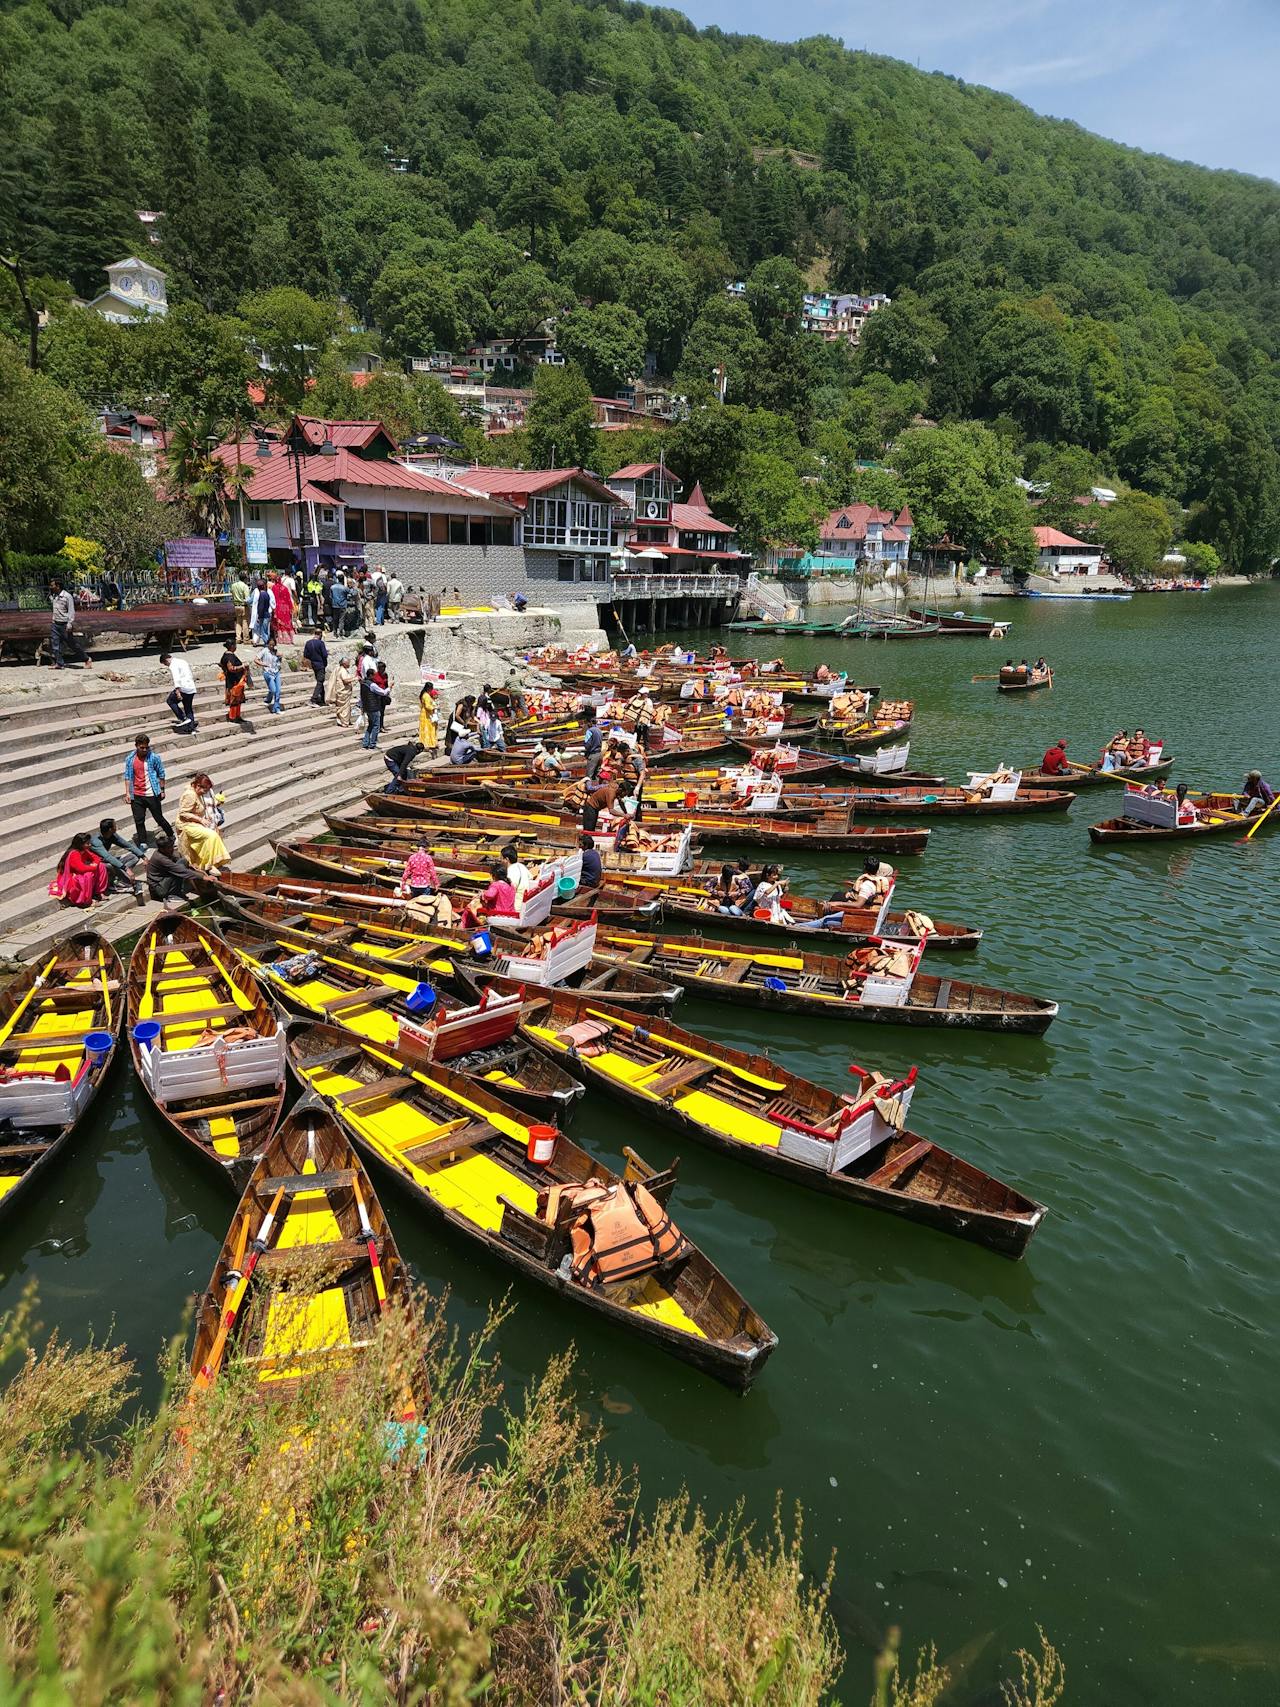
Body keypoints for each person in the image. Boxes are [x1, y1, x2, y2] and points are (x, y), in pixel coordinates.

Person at [176, 772, 230, 874]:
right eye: (204, 790)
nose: (204, 793)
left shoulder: (197, 792)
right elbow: (183, 813)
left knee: (214, 834)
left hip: (194, 823)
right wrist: (201, 820)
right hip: (186, 824)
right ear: (198, 786)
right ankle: (209, 865)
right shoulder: (190, 795)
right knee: (211, 835)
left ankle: (211, 863)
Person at [123, 734, 173, 844]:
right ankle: (143, 842)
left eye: (146, 747)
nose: (145, 750)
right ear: (136, 746)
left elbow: (161, 774)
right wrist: (127, 793)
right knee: (139, 820)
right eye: (142, 748)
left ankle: (171, 834)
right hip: (136, 794)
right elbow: (127, 776)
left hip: (152, 793)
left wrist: (162, 790)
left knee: (159, 818)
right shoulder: (130, 759)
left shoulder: (154, 758)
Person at [89, 818, 147, 905]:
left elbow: (128, 846)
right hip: (98, 863)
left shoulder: (113, 835)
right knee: (110, 865)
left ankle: (121, 879)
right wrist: (126, 868)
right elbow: (107, 857)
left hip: (109, 860)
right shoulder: (96, 841)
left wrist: (144, 857)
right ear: (110, 829)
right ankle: (125, 881)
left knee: (134, 857)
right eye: (115, 825)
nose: (117, 827)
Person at [145, 835, 214, 903]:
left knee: (183, 861)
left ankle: (180, 887)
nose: (172, 849)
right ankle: (172, 894)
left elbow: (177, 858)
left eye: (172, 846)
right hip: (159, 888)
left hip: (164, 881)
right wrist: (203, 877)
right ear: (162, 849)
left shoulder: (164, 852)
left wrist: (190, 865)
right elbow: (179, 870)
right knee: (179, 869)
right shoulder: (160, 858)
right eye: (169, 847)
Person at [50, 833, 109, 908]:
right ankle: (86, 901)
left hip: (82, 871)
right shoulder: (74, 854)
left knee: (101, 866)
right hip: (72, 877)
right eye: (87, 843)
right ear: (81, 844)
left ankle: (99, 892)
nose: (90, 845)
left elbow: (96, 858)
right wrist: (93, 867)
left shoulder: (84, 850)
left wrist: (95, 864)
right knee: (88, 876)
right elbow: (81, 869)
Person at [48, 578, 91, 670]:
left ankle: (86, 659)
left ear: (58, 586)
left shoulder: (67, 596)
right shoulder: (54, 596)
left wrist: (70, 623)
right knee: (55, 645)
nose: (51, 587)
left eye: (52, 585)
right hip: (55, 624)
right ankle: (59, 663)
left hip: (64, 624)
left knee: (72, 644)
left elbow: (71, 610)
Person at [160, 651, 198, 732]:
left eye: (165, 664)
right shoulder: (182, 661)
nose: (166, 665)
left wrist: (178, 691)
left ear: (166, 660)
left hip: (183, 688)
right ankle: (191, 729)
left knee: (170, 701)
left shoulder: (173, 665)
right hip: (191, 687)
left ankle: (183, 718)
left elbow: (176, 677)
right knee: (188, 708)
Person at [362, 661, 390, 748]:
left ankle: (365, 743)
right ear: (370, 675)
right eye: (373, 675)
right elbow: (383, 692)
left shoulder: (363, 683)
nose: (375, 676)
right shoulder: (372, 685)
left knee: (370, 725)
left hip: (367, 707)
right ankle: (372, 744)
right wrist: (390, 687)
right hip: (374, 706)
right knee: (375, 726)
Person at [259, 637, 283, 715]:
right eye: (270, 645)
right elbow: (256, 659)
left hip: (276, 672)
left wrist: (280, 657)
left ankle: (276, 708)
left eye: (273, 645)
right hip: (268, 673)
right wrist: (263, 664)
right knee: (273, 690)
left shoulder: (276, 652)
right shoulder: (264, 651)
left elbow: (279, 661)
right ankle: (268, 700)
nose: (271, 647)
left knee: (278, 691)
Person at [303, 631, 328, 704]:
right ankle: (313, 699)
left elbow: (306, 655)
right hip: (321, 664)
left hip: (313, 664)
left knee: (320, 681)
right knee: (320, 682)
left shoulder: (308, 643)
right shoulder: (321, 643)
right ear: (320, 635)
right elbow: (324, 655)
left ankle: (322, 699)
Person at [271, 572, 295, 644]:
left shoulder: (274, 588)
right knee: (287, 623)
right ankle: (289, 639)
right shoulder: (285, 588)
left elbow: (273, 598)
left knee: (279, 624)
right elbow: (288, 599)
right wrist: (291, 608)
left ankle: (280, 639)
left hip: (277, 607)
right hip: (285, 607)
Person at [582, 707, 603, 783]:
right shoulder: (599, 730)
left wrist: (586, 752)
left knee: (589, 775)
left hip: (593, 754)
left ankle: (588, 790)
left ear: (590, 722)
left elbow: (587, 744)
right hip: (600, 754)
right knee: (597, 774)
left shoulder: (589, 731)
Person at [332, 656, 354, 727]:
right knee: (345, 708)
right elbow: (345, 680)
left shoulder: (339, 669)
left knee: (343, 708)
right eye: (348, 663)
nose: (349, 664)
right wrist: (354, 679)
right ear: (344, 664)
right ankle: (344, 722)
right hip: (343, 692)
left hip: (342, 692)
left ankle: (341, 721)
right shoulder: (342, 671)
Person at [251, 579, 274, 646]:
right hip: (267, 614)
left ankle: (268, 644)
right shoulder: (266, 593)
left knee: (263, 632)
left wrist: (258, 617)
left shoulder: (261, 595)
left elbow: (261, 607)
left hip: (263, 616)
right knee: (266, 631)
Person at [230, 570, 250, 644]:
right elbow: (247, 598)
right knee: (245, 622)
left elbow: (232, 594)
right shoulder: (245, 586)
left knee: (238, 622)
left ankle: (238, 638)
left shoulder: (233, 585)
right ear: (245, 579)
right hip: (243, 606)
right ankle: (246, 639)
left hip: (236, 606)